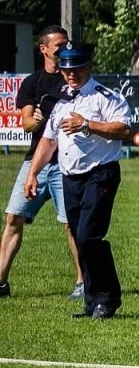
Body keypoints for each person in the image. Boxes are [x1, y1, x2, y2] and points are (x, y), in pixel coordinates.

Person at [24, 44, 132, 319]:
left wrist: (87, 125)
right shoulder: (61, 102)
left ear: (88, 67)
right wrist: (32, 173)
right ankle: (92, 301)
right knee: (78, 236)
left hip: (100, 173)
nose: (71, 74)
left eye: (77, 68)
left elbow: (122, 129)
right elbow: (48, 141)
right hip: (70, 176)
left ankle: (108, 298)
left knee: (88, 236)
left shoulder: (104, 97)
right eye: (66, 69)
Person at [0, 25, 85, 300]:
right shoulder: (32, 83)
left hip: (65, 162)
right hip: (35, 160)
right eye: (59, 45)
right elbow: (25, 123)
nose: (64, 48)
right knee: (13, 217)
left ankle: (83, 283)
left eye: (67, 43)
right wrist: (33, 121)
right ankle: (1, 282)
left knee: (71, 223)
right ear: (44, 49)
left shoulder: (73, 79)